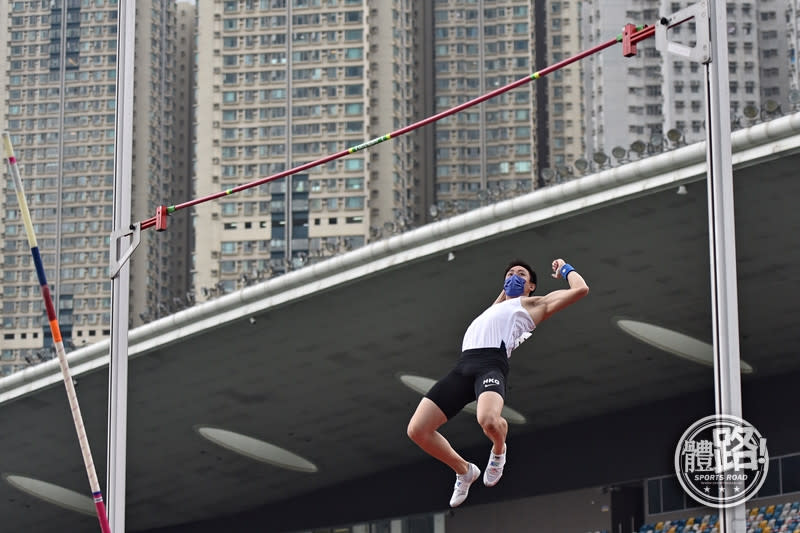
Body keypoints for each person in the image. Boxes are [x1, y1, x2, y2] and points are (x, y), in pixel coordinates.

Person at [406, 258, 589, 507]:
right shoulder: (493, 308)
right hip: (462, 367)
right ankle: (464, 471)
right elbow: (503, 297)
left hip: (490, 365)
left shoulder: (534, 304)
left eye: (521, 274)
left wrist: (565, 269)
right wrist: (505, 289)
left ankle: (499, 451)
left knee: (488, 421)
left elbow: (580, 290)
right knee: (417, 430)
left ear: (531, 285)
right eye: (510, 273)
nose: (514, 276)